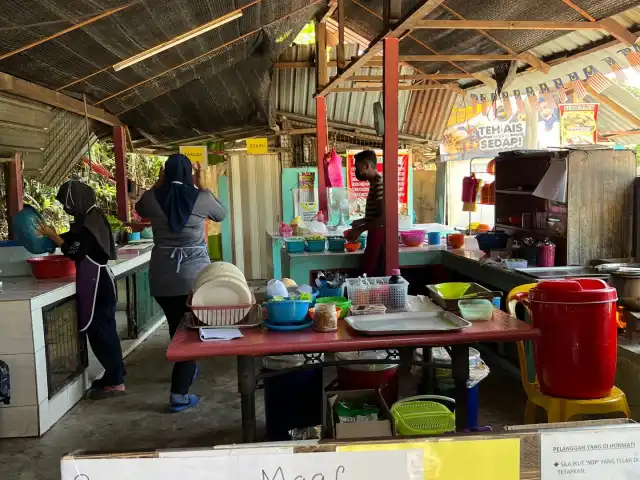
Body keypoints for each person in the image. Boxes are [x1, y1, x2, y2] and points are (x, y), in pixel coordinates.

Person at [136, 153, 227, 412]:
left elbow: (139, 209)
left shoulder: (152, 199)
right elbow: (221, 214)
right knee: (189, 333)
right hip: (193, 277)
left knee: (177, 325)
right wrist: (204, 186)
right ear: (190, 173)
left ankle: (187, 369)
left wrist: (157, 183)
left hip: (161, 274)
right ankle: (179, 394)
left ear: (165, 173)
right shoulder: (201, 198)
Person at [39, 181, 125, 399]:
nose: (66, 208)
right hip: (99, 279)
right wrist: (58, 235)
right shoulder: (88, 218)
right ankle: (115, 374)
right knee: (105, 330)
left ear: (76, 200)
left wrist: (54, 237)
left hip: (98, 282)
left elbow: (76, 249)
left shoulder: (91, 221)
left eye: (67, 203)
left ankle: (115, 381)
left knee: (100, 332)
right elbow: (74, 238)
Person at [346, 150, 385, 277]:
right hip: (375, 232)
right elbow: (375, 215)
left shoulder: (379, 184)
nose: (356, 171)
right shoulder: (374, 183)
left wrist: (360, 230)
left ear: (367, 166)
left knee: (368, 271)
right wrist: (361, 221)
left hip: (379, 233)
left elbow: (383, 218)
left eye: (357, 167)